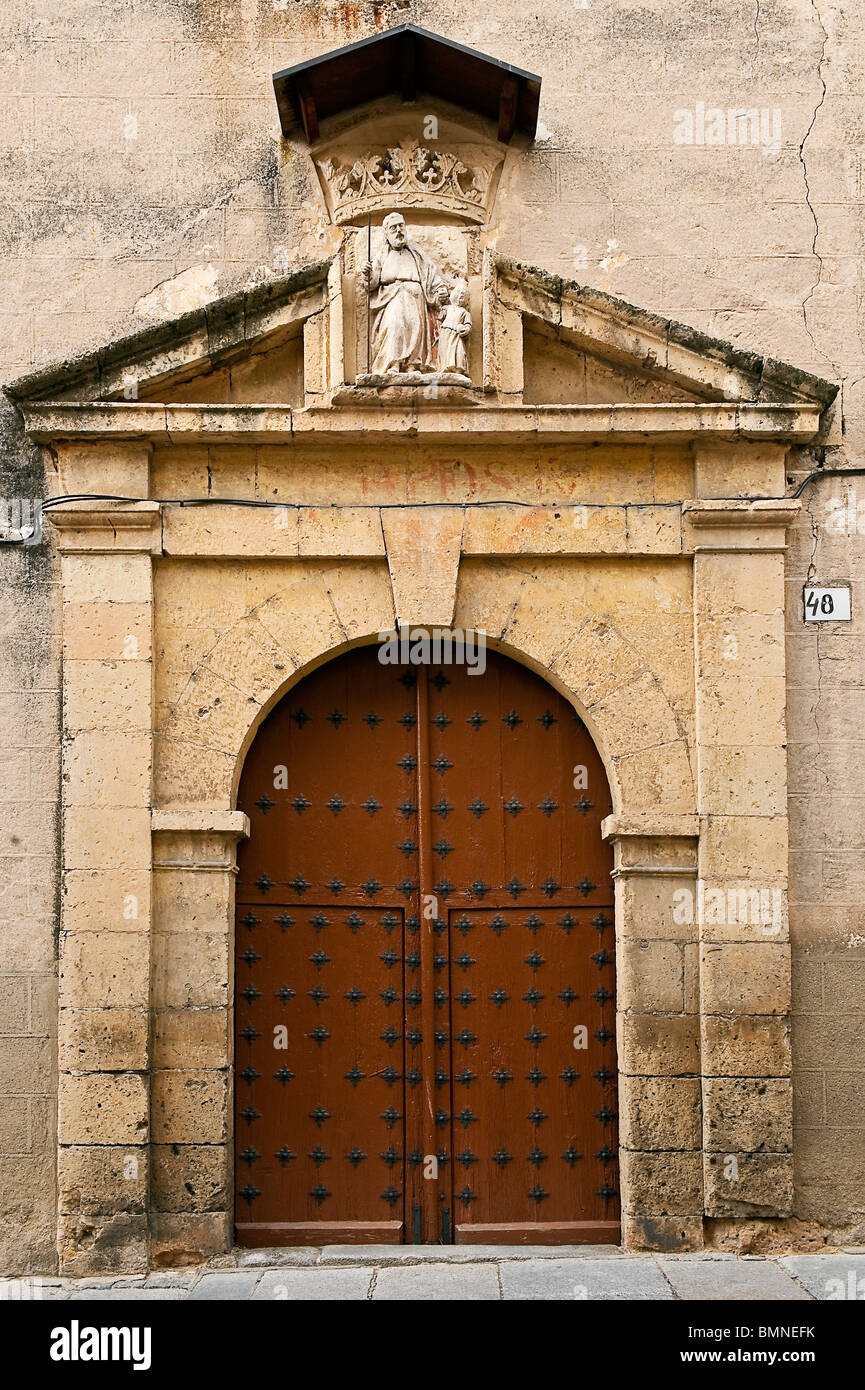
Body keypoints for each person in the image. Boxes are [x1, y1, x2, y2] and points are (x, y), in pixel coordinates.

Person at [361, 212, 449, 373]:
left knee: (415, 328)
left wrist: (440, 290)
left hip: (416, 299)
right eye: (393, 228)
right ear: (386, 234)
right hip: (393, 297)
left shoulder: (416, 253)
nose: (398, 230)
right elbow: (372, 283)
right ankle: (393, 363)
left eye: (401, 226)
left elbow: (430, 274)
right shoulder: (383, 255)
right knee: (395, 325)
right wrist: (368, 275)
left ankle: (412, 365)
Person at [437, 279, 471, 375]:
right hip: (445, 331)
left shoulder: (464, 312)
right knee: (444, 349)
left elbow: (468, 324)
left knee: (458, 351)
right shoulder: (447, 308)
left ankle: (459, 369)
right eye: (458, 293)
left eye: (463, 296)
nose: (459, 297)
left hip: (456, 334)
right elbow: (439, 317)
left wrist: (466, 329)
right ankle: (445, 366)